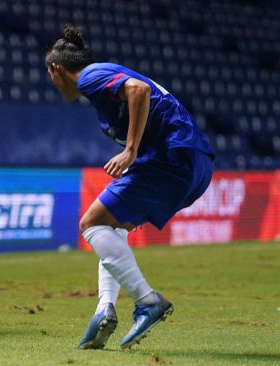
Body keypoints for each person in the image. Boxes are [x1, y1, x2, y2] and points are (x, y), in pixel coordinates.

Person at [45, 26, 214, 349]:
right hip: (193, 162)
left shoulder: (91, 76)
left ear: (56, 69)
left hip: (174, 155)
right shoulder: (101, 102)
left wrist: (130, 150)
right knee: (111, 226)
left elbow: (137, 90)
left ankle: (148, 301)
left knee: (91, 223)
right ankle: (103, 309)